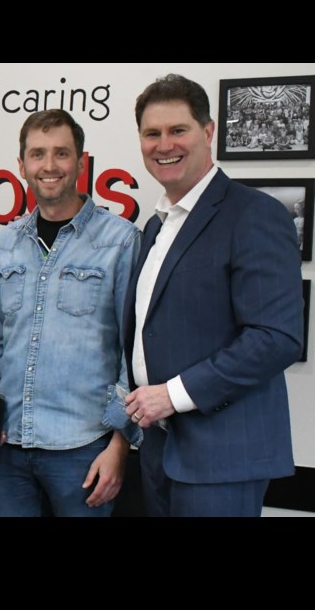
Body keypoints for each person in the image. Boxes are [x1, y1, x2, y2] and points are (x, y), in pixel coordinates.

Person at [124, 74, 304, 517]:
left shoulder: (254, 214)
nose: (164, 144)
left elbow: (276, 337)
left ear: (208, 133)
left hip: (222, 458)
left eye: (177, 130)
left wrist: (174, 394)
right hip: (161, 449)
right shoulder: (156, 227)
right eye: (152, 134)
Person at [0, 110, 140, 517]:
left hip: (84, 450)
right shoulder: (7, 241)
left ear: (81, 162)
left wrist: (120, 446)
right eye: (38, 154)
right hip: (7, 448)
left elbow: (135, 355)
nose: (49, 165)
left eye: (62, 153)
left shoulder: (121, 241)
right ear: (21, 165)